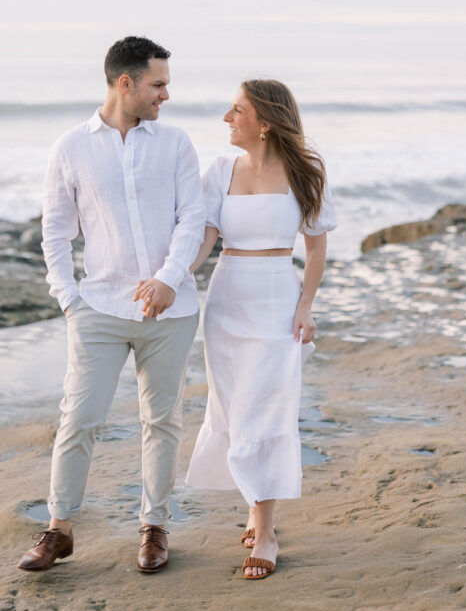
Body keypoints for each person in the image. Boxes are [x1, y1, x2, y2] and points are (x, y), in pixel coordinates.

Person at [17, 36, 206, 576]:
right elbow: (54, 232)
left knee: (161, 421)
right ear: (126, 84)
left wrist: (170, 279)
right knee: (78, 418)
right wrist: (68, 298)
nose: (166, 94)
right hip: (98, 307)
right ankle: (60, 529)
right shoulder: (70, 147)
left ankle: (153, 527)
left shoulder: (175, 144)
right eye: (158, 84)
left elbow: (192, 218)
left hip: (171, 312)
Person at [142, 78, 336, 581]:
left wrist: (306, 307)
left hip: (277, 296)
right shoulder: (220, 171)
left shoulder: (306, 173)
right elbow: (204, 240)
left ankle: (265, 527)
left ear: (265, 122)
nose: (227, 119)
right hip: (227, 297)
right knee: (233, 405)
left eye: (236, 110)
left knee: (268, 408)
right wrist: (170, 280)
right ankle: (255, 503)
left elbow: (315, 247)